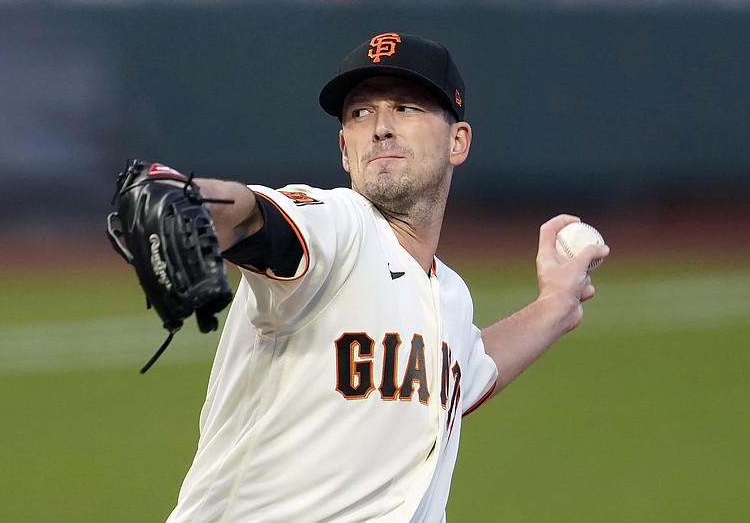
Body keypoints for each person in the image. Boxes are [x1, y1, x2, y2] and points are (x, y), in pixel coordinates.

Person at [165, 31, 609, 522]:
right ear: (343, 148)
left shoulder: (449, 296)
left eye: (406, 108)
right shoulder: (338, 227)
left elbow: (471, 370)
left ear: (458, 141)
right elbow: (253, 215)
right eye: (360, 113)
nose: (379, 127)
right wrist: (186, 200)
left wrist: (558, 305)